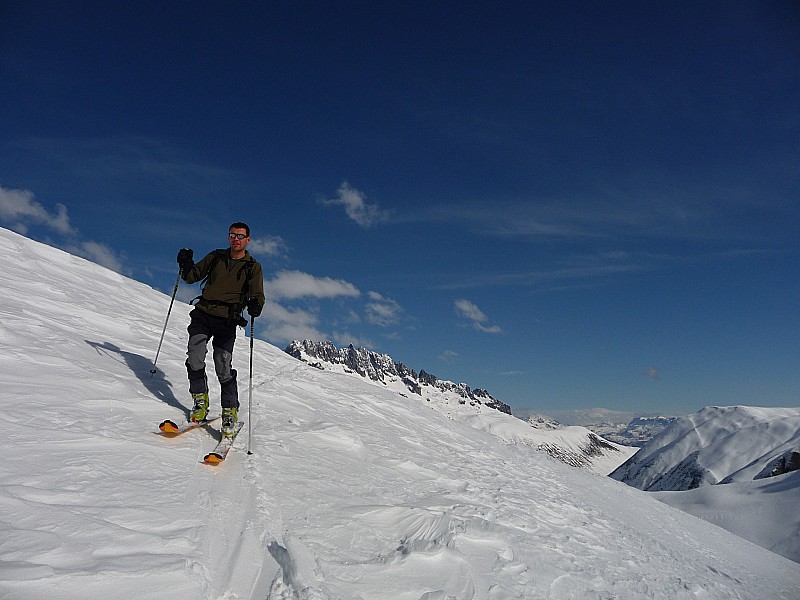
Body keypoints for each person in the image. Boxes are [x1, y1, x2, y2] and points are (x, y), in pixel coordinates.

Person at [176, 222, 265, 436]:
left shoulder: (253, 267)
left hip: (227, 319)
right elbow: (191, 277)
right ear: (228, 237)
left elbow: (258, 295)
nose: (236, 239)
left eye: (240, 236)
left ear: (247, 240)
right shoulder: (216, 257)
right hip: (203, 313)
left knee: (222, 364)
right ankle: (200, 400)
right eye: (233, 235)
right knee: (195, 356)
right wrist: (185, 264)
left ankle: (230, 410)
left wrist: (255, 305)